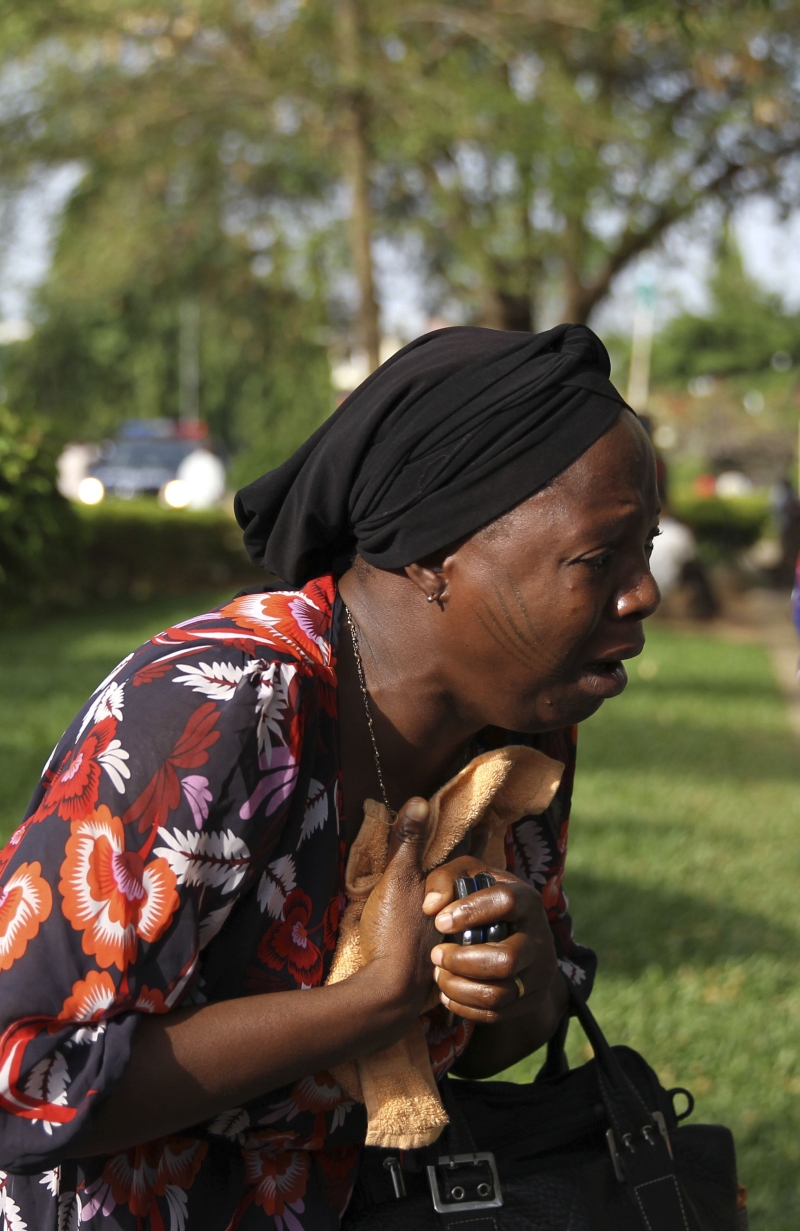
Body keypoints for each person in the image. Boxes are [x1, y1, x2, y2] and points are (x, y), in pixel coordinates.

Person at [0, 323, 660, 1230]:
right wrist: (371, 1000)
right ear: (432, 552)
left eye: (648, 551)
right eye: (602, 559)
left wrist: (529, 980)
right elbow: (28, 1077)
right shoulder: (212, 708)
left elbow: (482, 1050)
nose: (644, 594)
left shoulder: (518, 724)